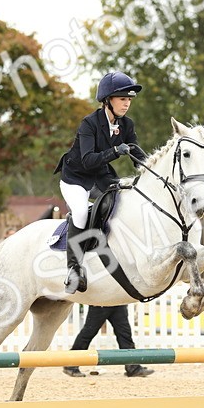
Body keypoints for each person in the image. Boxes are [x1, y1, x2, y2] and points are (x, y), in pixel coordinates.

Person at [54, 71, 148, 294]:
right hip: (76, 178)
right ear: (108, 100)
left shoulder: (127, 124)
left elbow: (136, 153)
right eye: (122, 99)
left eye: (129, 99)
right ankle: (74, 269)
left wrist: (152, 170)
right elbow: (87, 160)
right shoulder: (89, 123)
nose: (127, 104)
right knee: (80, 213)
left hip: (101, 176)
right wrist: (115, 151)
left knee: (125, 201)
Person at [62, 305, 153, 378]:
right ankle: (71, 363)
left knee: (125, 334)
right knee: (88, 333)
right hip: (102, 302)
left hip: (117, 302)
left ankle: (133, 367)